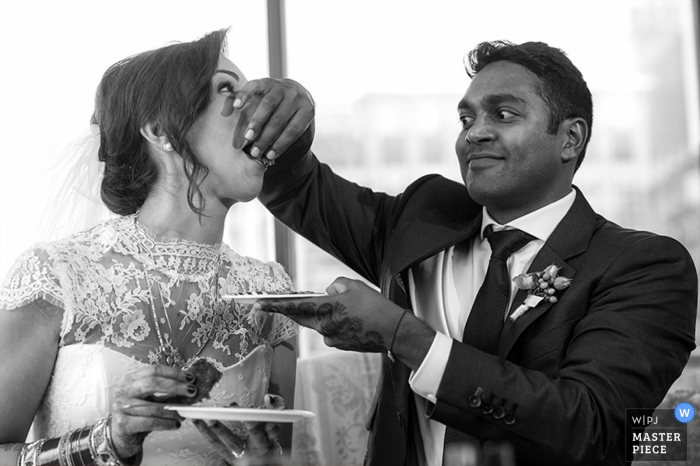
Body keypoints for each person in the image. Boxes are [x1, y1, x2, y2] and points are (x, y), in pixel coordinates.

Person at [255, 40, 698, 465]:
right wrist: (290, 115)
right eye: (466, 120)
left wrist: (405, 337)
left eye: (503, 114)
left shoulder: (644, 266)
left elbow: (590, 425)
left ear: (570, 138)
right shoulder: (422, 219)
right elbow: (300, 189)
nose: (475, 133)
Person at [0, 28, 314, 466]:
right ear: (159, 128)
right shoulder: (59, 275)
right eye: (227, 89)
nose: (258, 111)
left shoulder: (270, 293)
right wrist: (106, 441)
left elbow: (279, 455)